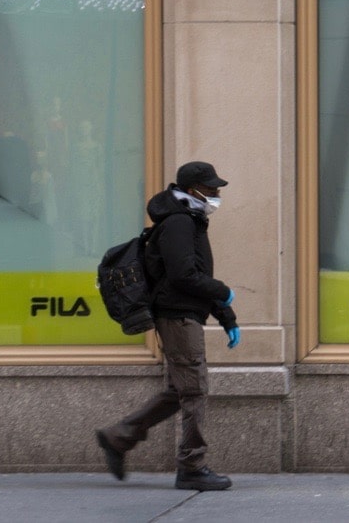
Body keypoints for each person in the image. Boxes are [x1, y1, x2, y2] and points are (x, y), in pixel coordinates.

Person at [96, 161, 242, 492]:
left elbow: (194, 276)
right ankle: (192, 466)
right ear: (193, 191)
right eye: (212, 190)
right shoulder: (179, 223)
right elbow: (183, 277)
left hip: (183, 313)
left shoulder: (190, 220)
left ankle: (118, 438)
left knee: (179, 390)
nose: (217, 195)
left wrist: (225, 314)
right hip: (177, 316)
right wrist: (223, 292)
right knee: (194, 390)